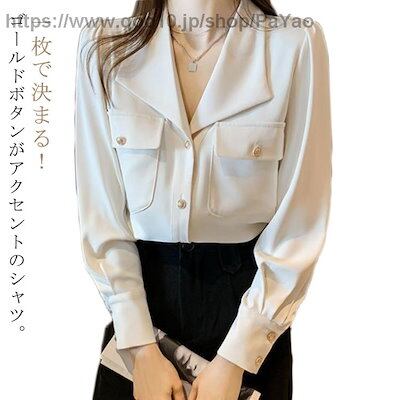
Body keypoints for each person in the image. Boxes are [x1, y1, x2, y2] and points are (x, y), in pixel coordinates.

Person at [73, 0, 332, 398]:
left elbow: (300, 221)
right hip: (140, 318)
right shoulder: (104, 47)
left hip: (249, 322)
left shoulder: (294, 44)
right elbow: (101, 217)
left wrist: (235, 360)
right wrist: (141, 350)